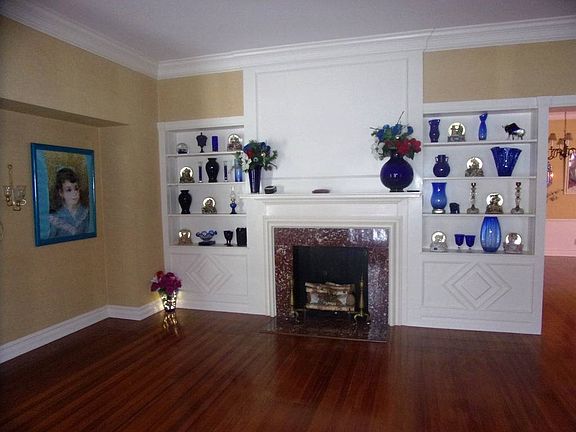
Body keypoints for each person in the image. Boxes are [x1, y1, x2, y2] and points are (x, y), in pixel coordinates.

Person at [48, 167, 90, 238]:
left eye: (76, 188)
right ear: (61, 193)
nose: (74, 193)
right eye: (69, 190)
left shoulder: (85, 212)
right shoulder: (55, 218)